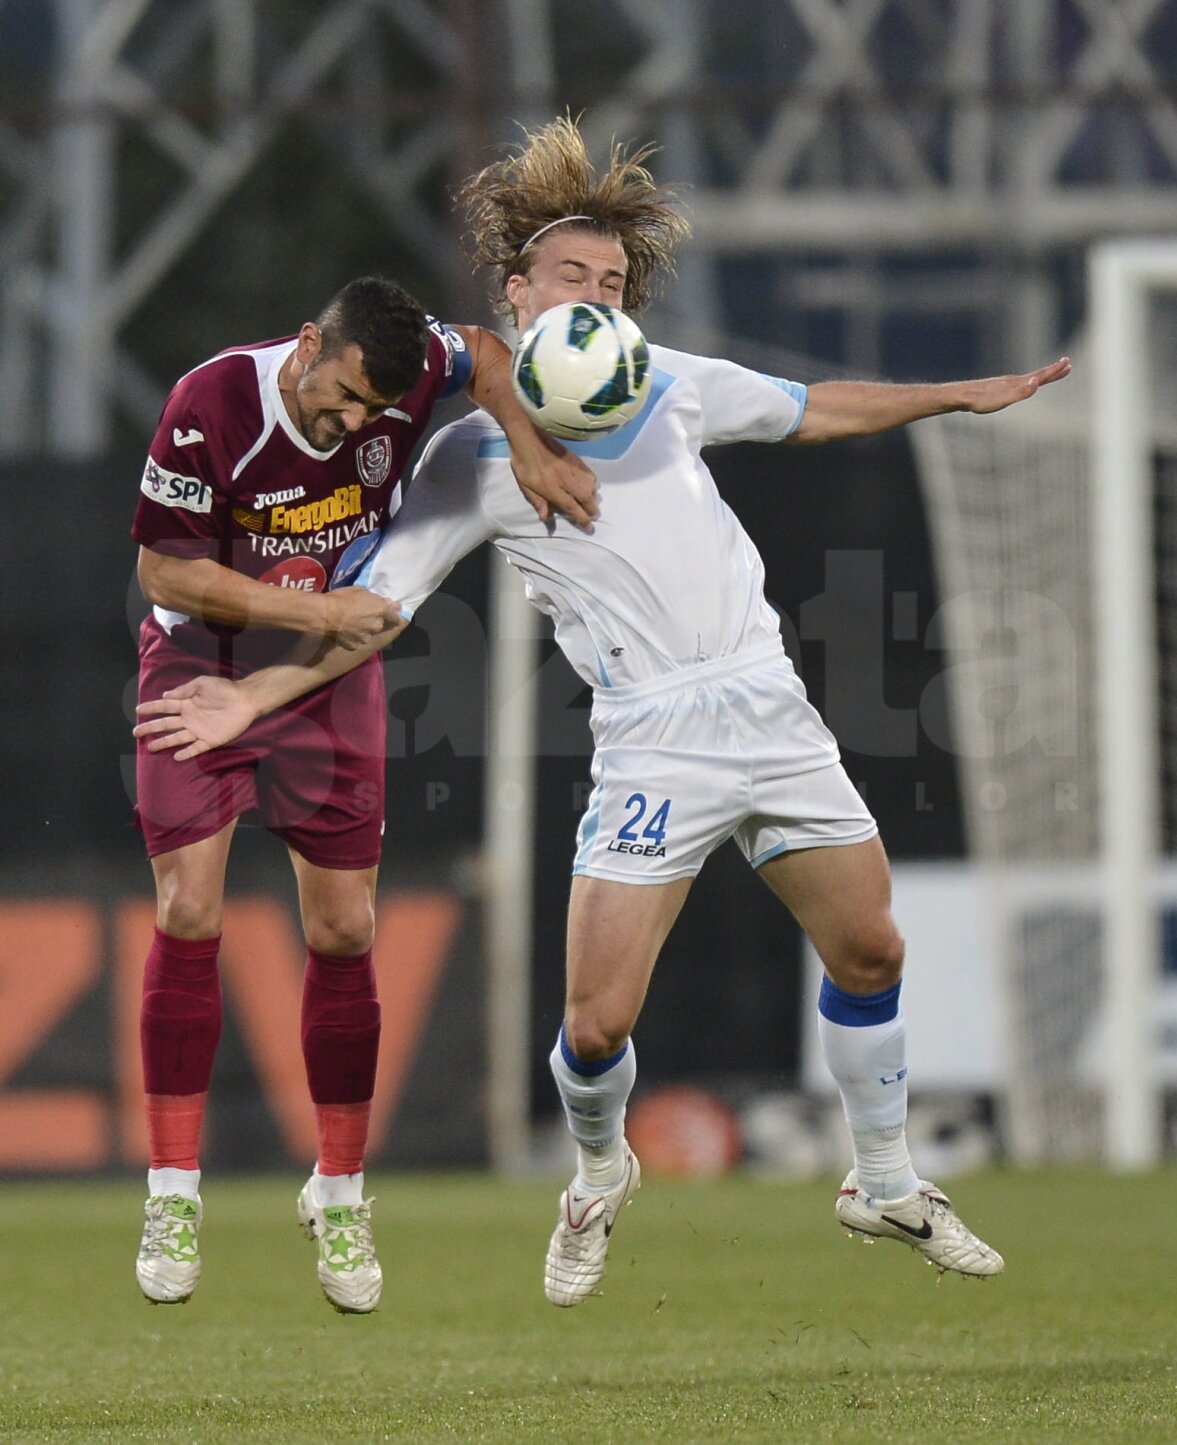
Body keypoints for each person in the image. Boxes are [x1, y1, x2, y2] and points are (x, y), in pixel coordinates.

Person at [134, 121, 1071, 1308]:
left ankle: (882, 1177)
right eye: (573, 277)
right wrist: (260, 691)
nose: (597, 295)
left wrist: (958, 394)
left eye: (615, 283)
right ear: (518, 293)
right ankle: (594, 1172)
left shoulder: (673, 382)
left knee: (874, 944)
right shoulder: (470, 460)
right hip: (651, 736)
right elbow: (377, 609)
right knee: (595, 1022)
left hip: (767, 698)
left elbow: (815, 406)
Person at [129, 274, 596, 1314]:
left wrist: (523, 437)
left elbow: (479, 347)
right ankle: (172, 1187)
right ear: (306, 343)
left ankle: (339, 1186)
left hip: (325, 674)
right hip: (201, 670)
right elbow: (166, 572)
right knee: (187, 905)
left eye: (375, 412)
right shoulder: (212, 403)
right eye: (342, 398)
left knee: (344, 930)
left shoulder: (408, 369)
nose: (355, 423)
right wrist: (306, 601)